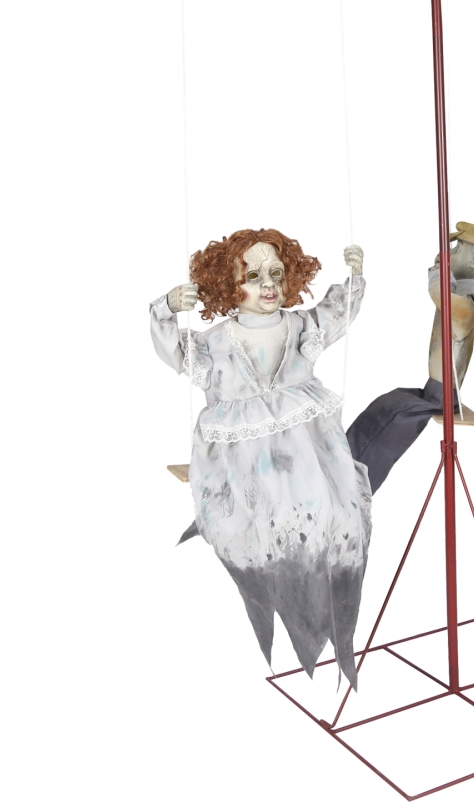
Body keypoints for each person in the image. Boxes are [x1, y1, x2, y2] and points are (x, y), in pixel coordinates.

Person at [150, 228, 370, 686]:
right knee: (255, 521)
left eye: (276, 272)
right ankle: (281, 597)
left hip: (306, 447)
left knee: (332, 512)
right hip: (243, 453)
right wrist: (167, 307)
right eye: (252, 276)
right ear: (226, 284)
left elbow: (338, 312)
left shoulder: (301, 326)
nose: (268, 284)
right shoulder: (215, 342)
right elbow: (174, 350)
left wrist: (355, 275)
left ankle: (324, 604)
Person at [346, 221, 474, 492]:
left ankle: (353, 483)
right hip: (435, 389)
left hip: (442, 394)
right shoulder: (467, 292)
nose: (447, 253)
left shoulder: (469, 300)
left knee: (388, 420)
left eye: (456, 249)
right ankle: (347, 470)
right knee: (387, 405)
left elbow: (442, 296)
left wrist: (438, 271)